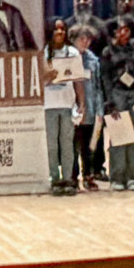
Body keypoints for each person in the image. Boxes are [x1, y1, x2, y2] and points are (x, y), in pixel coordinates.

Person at [100, 15, 134, 192]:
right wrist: (109, 100)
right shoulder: (108, 52)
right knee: (119, 136)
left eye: (127, 29)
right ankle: (117, 176)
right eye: (120, 29)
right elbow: (105, 78)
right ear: (114, 31)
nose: (123, 33)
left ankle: (131, 176)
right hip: (117, 94)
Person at [40, 18, 85, 196]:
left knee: (67, 144)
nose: (60, 32)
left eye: (62, 29)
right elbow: (37, 82)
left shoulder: (73, 53)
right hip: (49, 105)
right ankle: (54, 178)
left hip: (67, 104)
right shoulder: (43, 54)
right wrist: (48, 77)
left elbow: (78, 81)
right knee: (51, 145)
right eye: (56, 29)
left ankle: (68, 179)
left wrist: (82, 103)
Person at [69, 24, 104, 192]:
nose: (85, 42)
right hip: (73, 110)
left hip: (90, 109)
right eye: (81, 39)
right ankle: (73, 177)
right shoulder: (67, 58)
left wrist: (99, 109)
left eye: (88, 39)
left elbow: (98, 87)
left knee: (89, 146)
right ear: (73, 40)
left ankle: (88, 175)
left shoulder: (93, 60)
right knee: (73, 145)